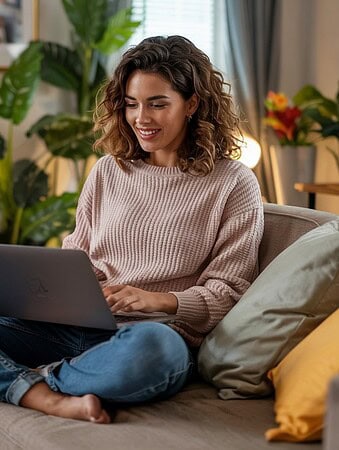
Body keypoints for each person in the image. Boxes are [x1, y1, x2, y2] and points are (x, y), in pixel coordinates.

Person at [0, 35, 264, 424]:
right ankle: (46, 395)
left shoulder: (233, 183)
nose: (141, 118)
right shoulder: (109, 169)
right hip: (74, 325)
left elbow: (229, 293)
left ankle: (34, 383)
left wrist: (156, 300)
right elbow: (79, 253)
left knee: (158, 352)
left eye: (158, 104)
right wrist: (72, 286)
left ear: (192, 104)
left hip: (149, 336)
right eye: (131, 104)